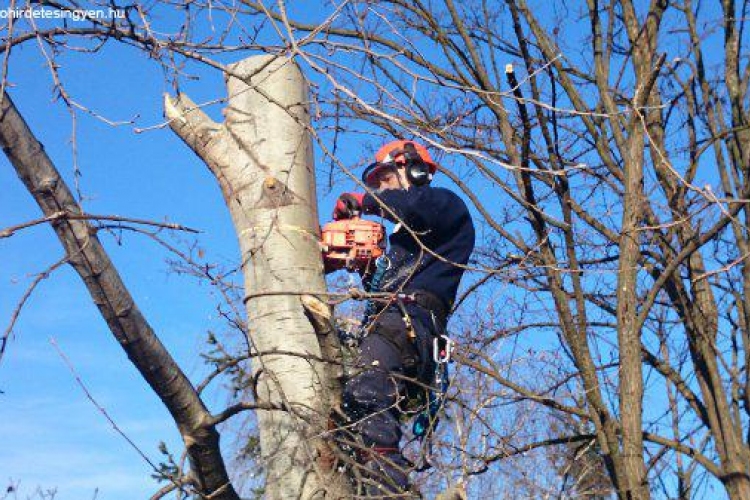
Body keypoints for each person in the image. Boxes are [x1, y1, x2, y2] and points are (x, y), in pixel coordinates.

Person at [332, 140, 475, 496]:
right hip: (393, 322)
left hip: (410, 320)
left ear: (410, 169)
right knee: (352, 417)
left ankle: (387, 492)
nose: (379, 188)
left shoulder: (443, 204)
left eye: (384, 178)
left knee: (367, 395)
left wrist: (363, 202)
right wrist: (364, 264)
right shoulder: (403, 241)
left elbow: (413, 208)